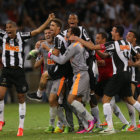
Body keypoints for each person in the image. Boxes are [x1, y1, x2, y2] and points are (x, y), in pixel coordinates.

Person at [73, 25, 140, 133]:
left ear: (117, 33)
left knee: (105, 100)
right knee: (130, 100)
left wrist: (78, 39)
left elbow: (93, 48)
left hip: (118, 75)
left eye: (113, 30)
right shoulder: (127, 44)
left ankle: (110, 127)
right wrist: (133, 63)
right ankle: (115, 125)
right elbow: (105, 56)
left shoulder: (113, 44)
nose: (111, 32)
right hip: (127, 74)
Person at [0, 13, 55, 136]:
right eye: (6, 27)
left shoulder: (21, 36)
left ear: (15, 28)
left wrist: (48, 20)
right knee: (0, 95)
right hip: (6, 71)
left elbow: (37, 31)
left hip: (18, 71)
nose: (7, 29)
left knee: (21, 98)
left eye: (10, 27)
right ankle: (1, 120)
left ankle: (20, 127)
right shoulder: (3, 36)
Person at [49, 26, 97, 134]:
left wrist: (50, 55)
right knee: (78, 102)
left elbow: (61, 60)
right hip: (80, 74)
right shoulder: (80, 45)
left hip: (81, 75)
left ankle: (90, 119)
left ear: (73, 35)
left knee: (70, 100)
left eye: (68, 33)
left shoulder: (73, 46)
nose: (66, 34)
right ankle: (86, 127)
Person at [94, 32, 130, 131]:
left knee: (111, 104)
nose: (96, 40)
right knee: (93, 101)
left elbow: (102, 61)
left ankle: (125, 123)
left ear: (104, 40)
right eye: (96, 38)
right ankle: (98, 124)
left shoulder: (109, 48)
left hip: (110, 79)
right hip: (101, 79)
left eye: (98, 38)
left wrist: (94, 50)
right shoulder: (97, 50)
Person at [126, 30, 140, 130]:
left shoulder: (137, 48)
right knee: (132, 100)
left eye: (130, 36)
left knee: (132, 99)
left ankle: (134, 124)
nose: (127, 37)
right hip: (130, 77)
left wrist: (133, 64)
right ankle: (135, 124)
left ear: (135, 38)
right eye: (127, 35)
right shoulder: (127, 48)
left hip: (136, 77)